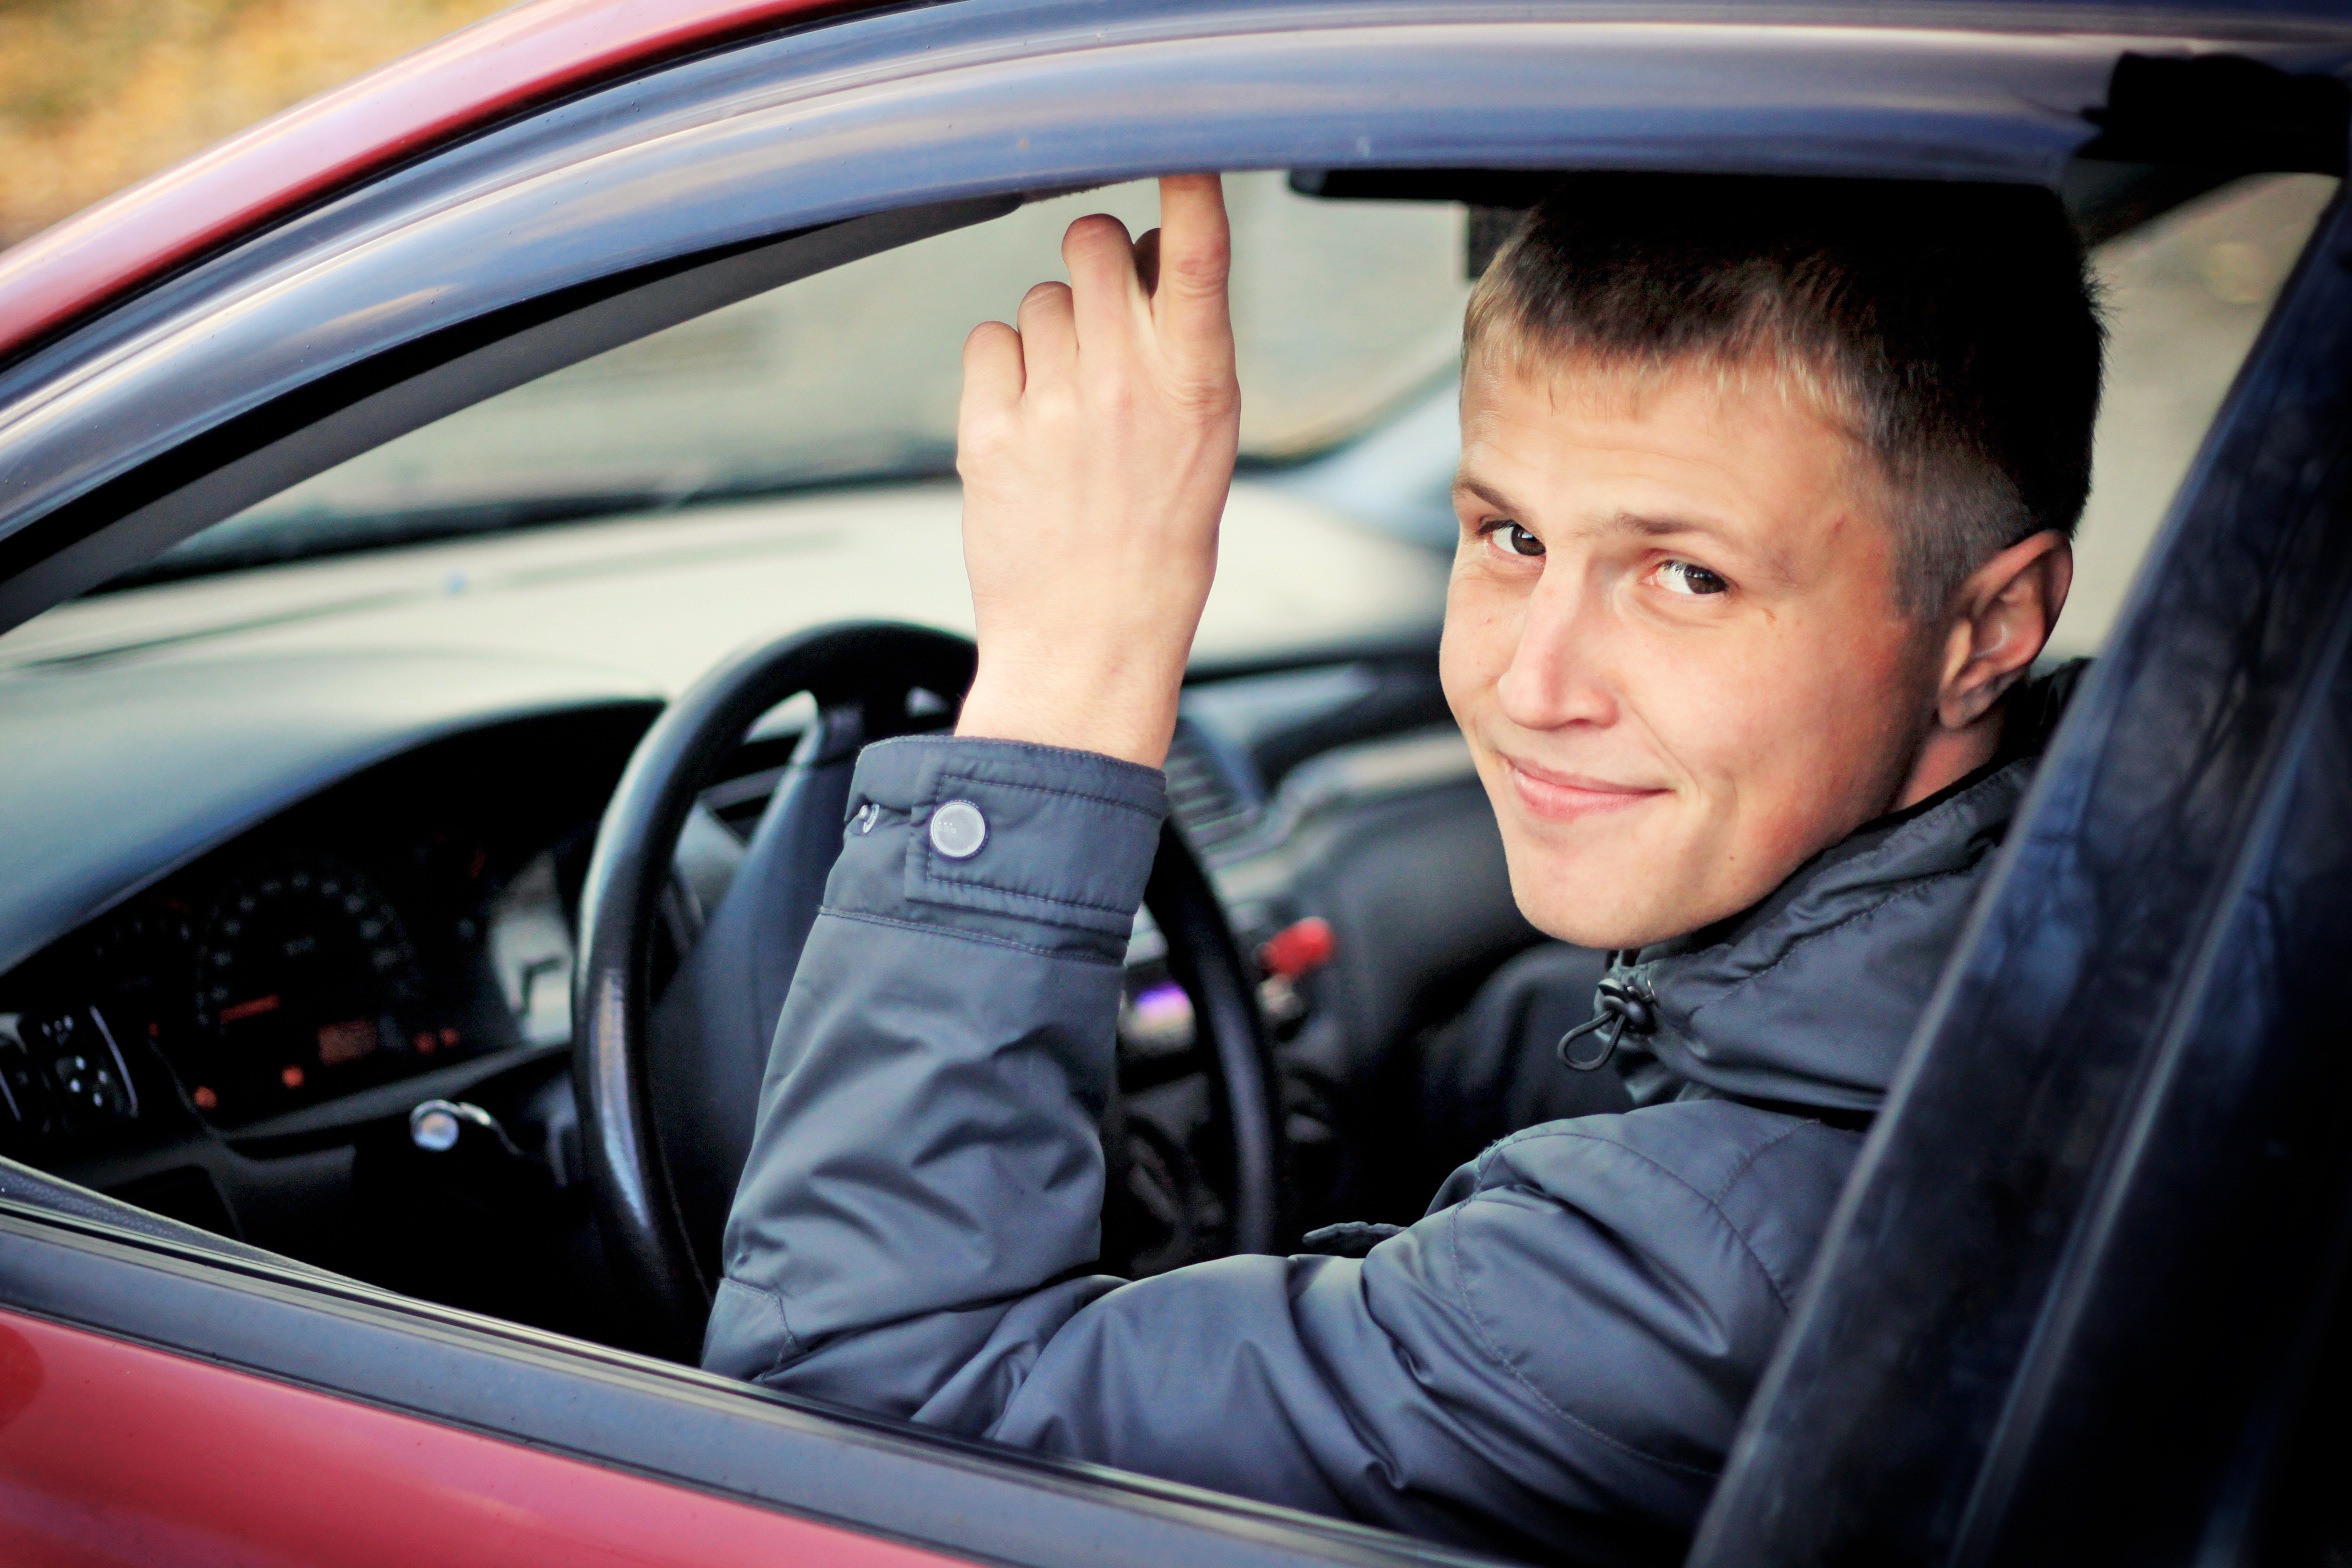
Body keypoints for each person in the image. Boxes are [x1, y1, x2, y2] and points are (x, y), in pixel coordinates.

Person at [703, 171, 2101, 1560]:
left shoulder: (1713, 1268)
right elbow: (1538, 1055)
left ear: (1990, 629)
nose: (1531, 684)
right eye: (1511, 537)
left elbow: (844, 1439)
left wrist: (1074, 656)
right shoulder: (2083, 927)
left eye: (1689, 577)